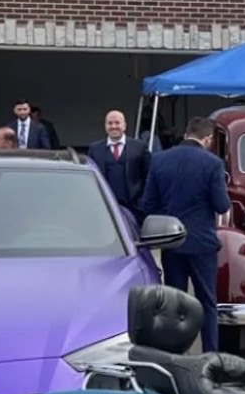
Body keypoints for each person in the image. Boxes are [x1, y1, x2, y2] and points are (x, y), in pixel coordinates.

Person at [139, 117, 231, 352]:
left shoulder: (160, 160)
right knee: (207, 302)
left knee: (174, 305)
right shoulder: (213, 163)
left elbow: (148, 203)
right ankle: (210, 353)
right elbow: (221, 205)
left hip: (172, 242)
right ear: (208, 138)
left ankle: (176, 353)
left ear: (186, 133)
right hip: (202, 243)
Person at [88, 109, 151, 215]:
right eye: (110, 123)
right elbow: (90, 178)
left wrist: (142, 201)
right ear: (105, 126)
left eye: (117, 123)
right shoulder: (95, 149)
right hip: (105, 207)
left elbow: (149, 176)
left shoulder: (139, 147)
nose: (113, 126)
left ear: (124, 125)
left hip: (134, 208)